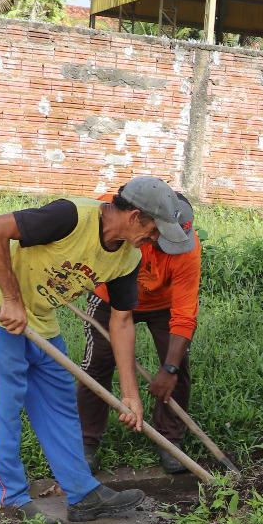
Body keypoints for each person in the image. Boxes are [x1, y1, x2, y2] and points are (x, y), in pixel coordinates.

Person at [0, 177, 193, 523]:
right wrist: (12, 299)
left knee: (60, 407)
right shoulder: (71, 216)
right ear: (135, 216)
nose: (153, 240)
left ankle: (82, 493)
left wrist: (130, 394)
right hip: (0, 313)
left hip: (41, 319)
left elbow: (121, 324)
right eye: (152, 231)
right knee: (4, 406)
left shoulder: (126, 258)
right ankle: (11, 502)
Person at [79, 193, 201, 475]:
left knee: (178, 366)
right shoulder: (122, 219)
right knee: (96, 363)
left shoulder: (187, 250)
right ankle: (86, 441)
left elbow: (184, 315)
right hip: (111, 297)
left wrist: (169, 368)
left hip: (163, 304)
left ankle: (170, 439)